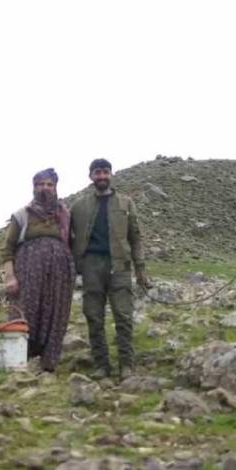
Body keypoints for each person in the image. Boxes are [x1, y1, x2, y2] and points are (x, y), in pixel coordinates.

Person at [70, 158, 149, 379]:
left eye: (105, 172)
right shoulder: (78, 206)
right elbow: (67, 237)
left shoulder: (126, 203)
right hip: (91, 266)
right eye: (97, 172)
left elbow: (136, 238)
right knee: (93, 315)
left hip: (120, 266)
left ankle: (127, 364)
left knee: (123, 316)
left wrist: (141, 269)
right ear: (90, 176)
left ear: (111, 174)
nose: (101, 176)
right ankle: (101, 365)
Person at [2, 168, 74, 373]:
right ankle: (18, 358)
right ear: (33, 187)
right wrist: (10, 276)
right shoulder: (22, 215)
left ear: (56, 188)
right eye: (40, 184)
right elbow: (7, 248)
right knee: (26, 310)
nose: (45, 188)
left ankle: (48, 361)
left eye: (49, 184)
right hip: (28, 271)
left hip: (60, 273)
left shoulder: (65, 215)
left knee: (56, 312)